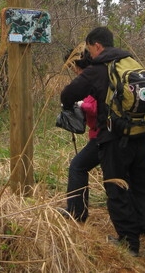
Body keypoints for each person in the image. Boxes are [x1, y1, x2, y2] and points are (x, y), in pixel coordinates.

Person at [60, 27, 145, 259]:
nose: (89, 54)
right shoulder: (132, 62)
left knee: (117, 188)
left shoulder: (100, 69)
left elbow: (70, 93)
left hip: (114, 140)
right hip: (142, 135)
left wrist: (68, 106)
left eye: (90, 49)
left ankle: (129, 243)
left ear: (96, 46)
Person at [61, 51, 100, 222]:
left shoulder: (91, 78)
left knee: (77, 166)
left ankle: (76, 212)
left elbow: (93, 106)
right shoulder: (102, 72)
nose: (74, 71)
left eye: (73, 67)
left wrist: (78, 104)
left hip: (103, 135)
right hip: (109, 134)